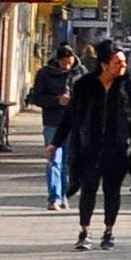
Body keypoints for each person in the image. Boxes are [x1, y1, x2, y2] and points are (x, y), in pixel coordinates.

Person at [56, 44, 131, 251]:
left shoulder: (129, 85)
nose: (123, 66)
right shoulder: (85, 85)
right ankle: (85, 231)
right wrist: (55, 142)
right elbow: (70, 115)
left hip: (118, 149)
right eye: (118, 62)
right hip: (90, 148)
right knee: (88, 188)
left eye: (124, 62)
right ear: (104, 64)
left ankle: (108, 232)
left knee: (112, 191)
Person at [29, 45, 80, 211]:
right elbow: (37, 98)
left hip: (74, 123)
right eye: (64, 63)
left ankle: (64, 194)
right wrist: (57, 101)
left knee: (69, 162)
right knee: (54, 160)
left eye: (70, 63)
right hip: (54, 123)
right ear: (58, 61)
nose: (67, 66)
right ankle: (54, 198)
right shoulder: (45, 74)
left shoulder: (80, 73)